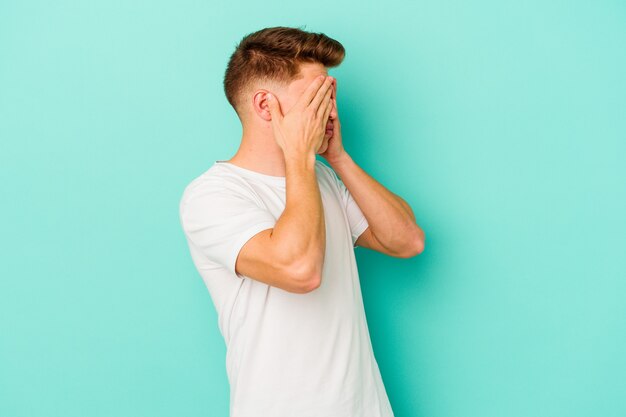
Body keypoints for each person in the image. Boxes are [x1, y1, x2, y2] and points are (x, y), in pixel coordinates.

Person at [179, 26, 425, 417]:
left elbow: (407, 241)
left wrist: (339, 158)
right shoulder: (212, 195)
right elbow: (300, 271)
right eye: (316, 96)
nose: (329, 108)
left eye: (330, 95)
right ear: (265, 106)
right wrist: (300, 156)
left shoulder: (321, 177)